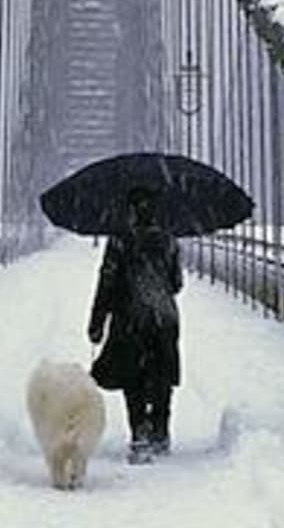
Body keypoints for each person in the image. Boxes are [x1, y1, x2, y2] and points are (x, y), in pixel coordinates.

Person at [86, 187, 183, 463]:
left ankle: (140, 433)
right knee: (161, 376)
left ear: (130, 209)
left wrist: (97, 322)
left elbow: (106, 282)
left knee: (134, 377)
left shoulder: (120, 240)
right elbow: (176, 284)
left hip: (130, 319)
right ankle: (161, 433)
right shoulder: (169, 240)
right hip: (165, 318)